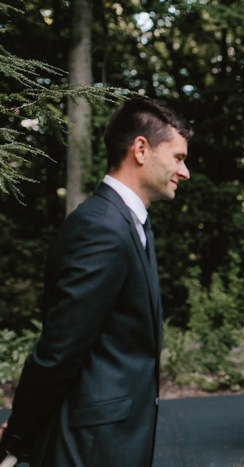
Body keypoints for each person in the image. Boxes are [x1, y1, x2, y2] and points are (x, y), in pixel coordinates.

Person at [0, 98, 192, 466]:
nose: (184, 172)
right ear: (140, 149)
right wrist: (19, 434)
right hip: (89, 445)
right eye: (179, 158)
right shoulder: (100, 227)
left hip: (115, 437)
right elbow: (59, 349)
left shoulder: (132, 223)